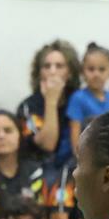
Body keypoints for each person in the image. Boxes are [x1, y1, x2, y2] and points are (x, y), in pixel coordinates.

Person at [18, 40, 79, 182]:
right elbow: (47, 145)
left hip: (73, 172)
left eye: (59, 66)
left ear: (69, 73)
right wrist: (51, 101)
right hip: (37, 172)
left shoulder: (78, 100)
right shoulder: (28, 106)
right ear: (39, 73)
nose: (52, 71)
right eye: (47, 66)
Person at [70, 43, 109, 128]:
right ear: (82, 72)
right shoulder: (78, 98)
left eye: (102, 69)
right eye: (91, 69)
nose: (96, 74)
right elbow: (75, 139)